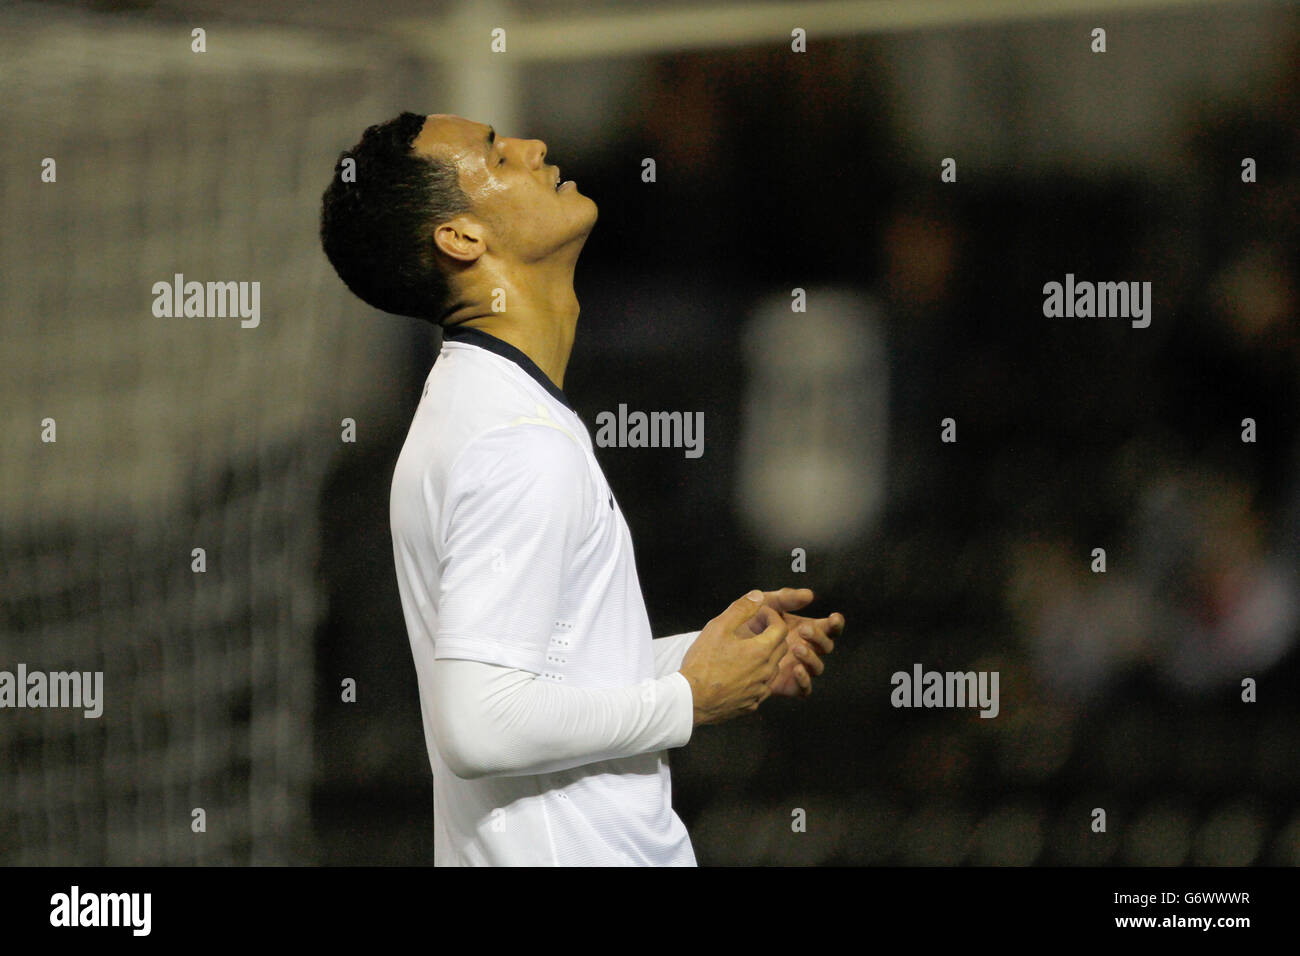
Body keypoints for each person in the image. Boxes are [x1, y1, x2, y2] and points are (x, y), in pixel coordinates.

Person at [320, 111, 845, 865]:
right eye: (496, 154)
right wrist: (689, 698)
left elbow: (545, 681)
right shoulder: (513, 440)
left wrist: (713, 657)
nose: (532, 148)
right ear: (462, 239)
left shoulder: (487, 410)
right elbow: (481, 724)